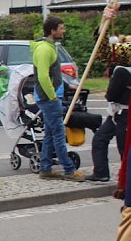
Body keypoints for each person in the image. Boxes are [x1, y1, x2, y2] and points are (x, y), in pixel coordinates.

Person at [31, 16, 85, 182]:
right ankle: (69, 169)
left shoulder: (49, 47)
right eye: (61, 28)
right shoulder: (44, 49)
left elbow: (53, 75)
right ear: (52, 30)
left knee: (50, 133)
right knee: (59, 133)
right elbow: (42, 76)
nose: (64, 30)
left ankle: (45, 168)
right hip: (48, 98)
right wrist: (53, 96)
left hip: (49, 96)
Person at [85, 65, 131, 182]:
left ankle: (126, 179)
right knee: (100, 138)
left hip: (124, 113)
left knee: (124, 147)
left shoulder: (122, 71)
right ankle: (101, 172)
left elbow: (111, 95)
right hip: (117, 113)